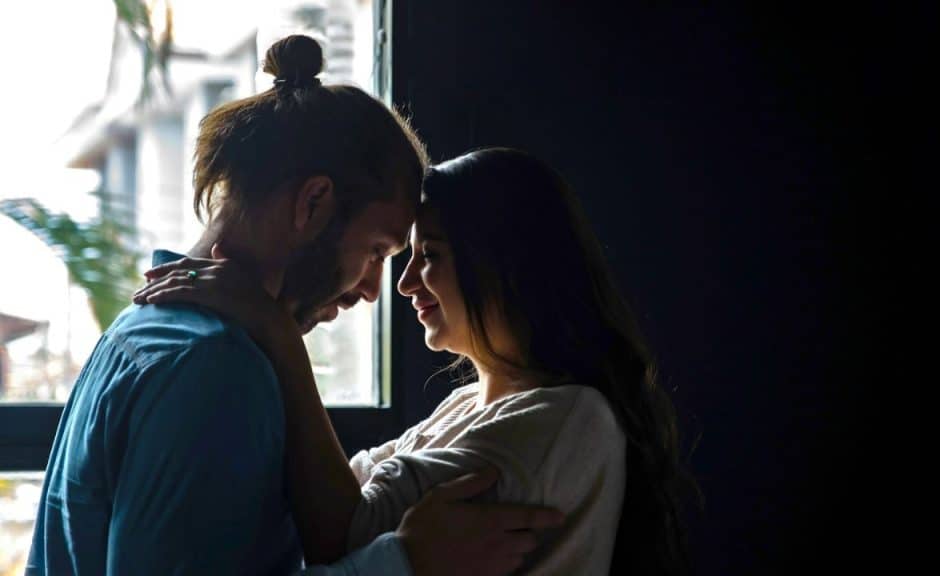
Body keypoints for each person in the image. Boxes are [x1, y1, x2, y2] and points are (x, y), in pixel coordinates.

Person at [27, 35, 559, 576]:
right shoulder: (214, 366)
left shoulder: (140, 328)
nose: (375, 289)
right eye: (377, 251)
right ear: (313, 202)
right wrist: (406, 561)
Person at [138, 148, 702, 574]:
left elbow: (343, 531)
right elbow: (346, 488)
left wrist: (278, 336)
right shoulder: (468, 405)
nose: (404, 284)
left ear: (506, 263)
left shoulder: (570, 419)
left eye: (428, 256)